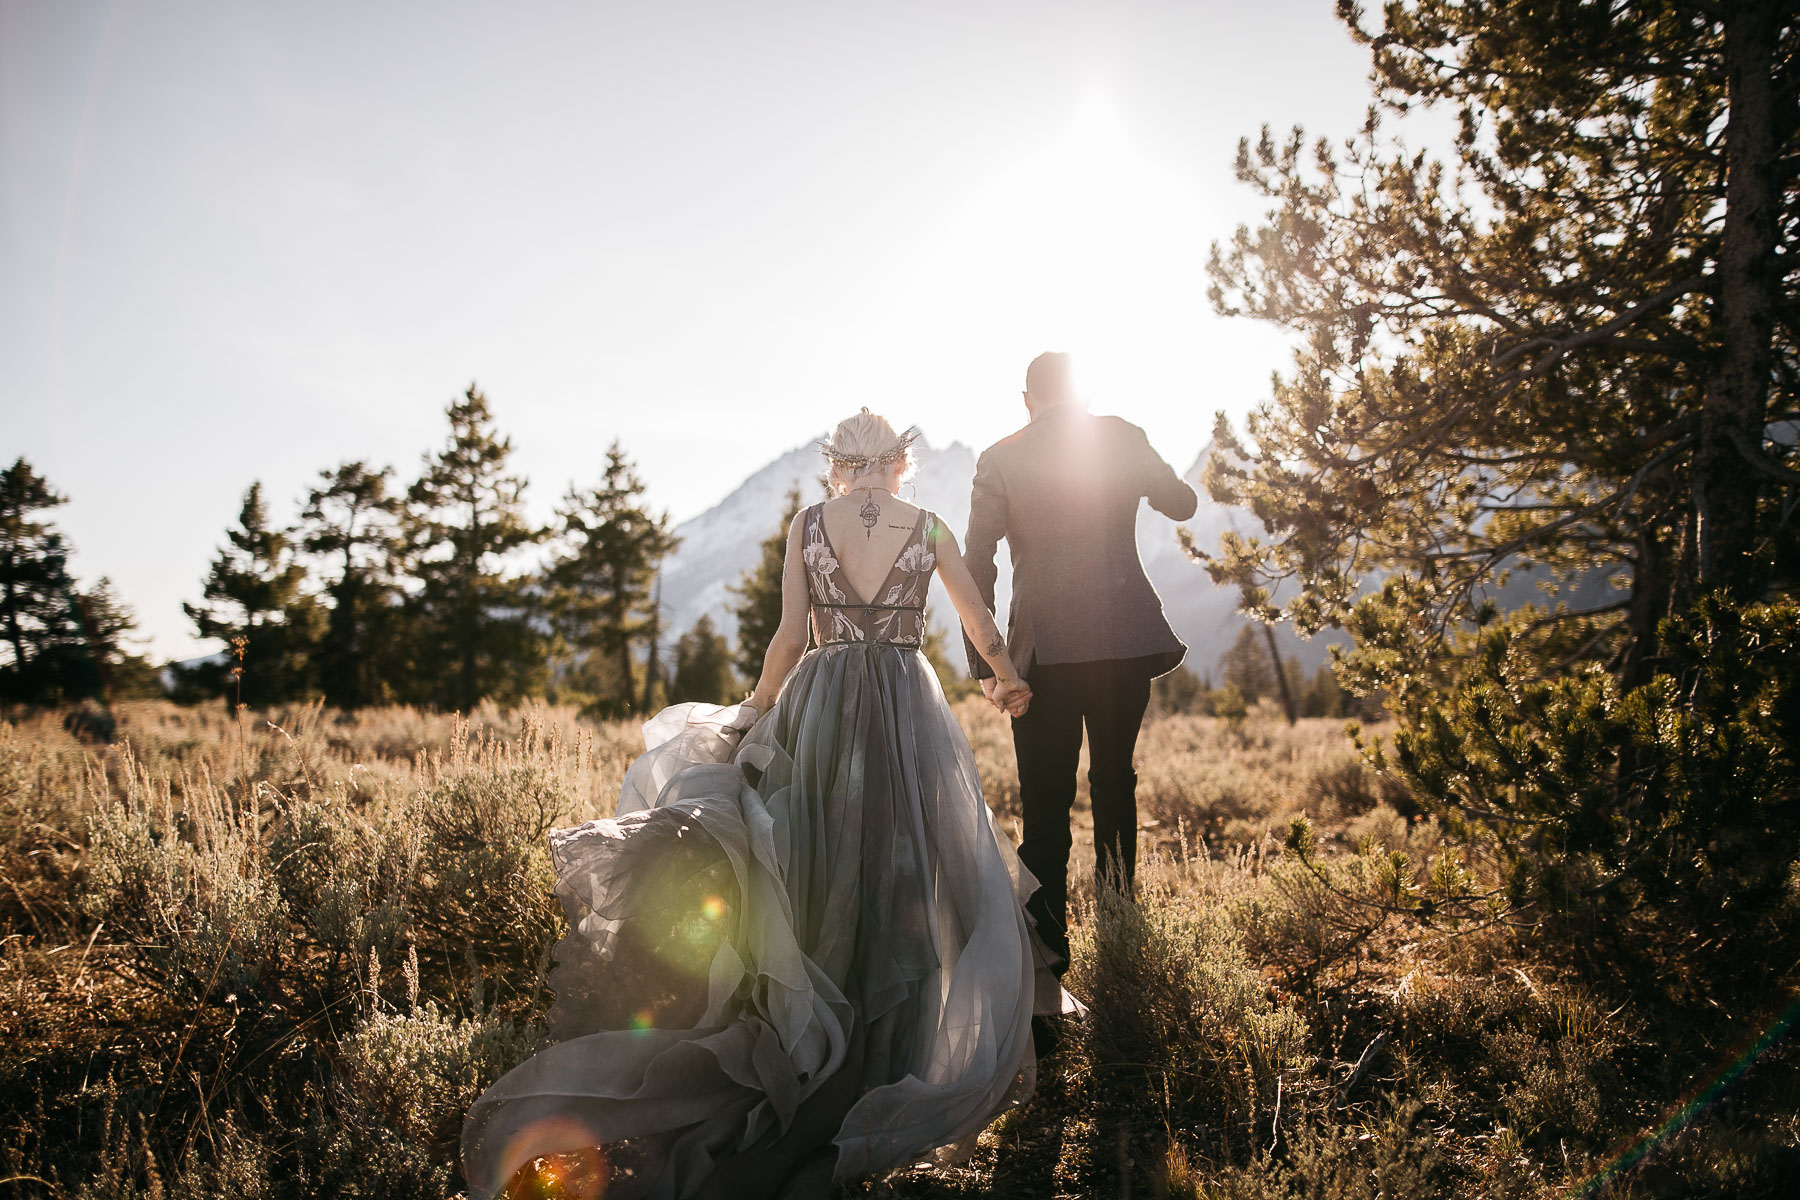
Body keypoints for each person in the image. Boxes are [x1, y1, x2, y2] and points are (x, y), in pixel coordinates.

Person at [461, 408, 1078, 1200]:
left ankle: (829, 1031)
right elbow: (977, 620)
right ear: (896, 464)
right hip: (902, 701)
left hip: (821, 704)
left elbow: (791, 637)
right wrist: (1003, 680)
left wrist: (754, 713)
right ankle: (899, 1046)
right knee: (909, 868)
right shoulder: (925, 527)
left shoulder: (808, 526)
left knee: (815, 861)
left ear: (835, 466)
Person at [961, 352, 1197, 1053]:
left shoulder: (1000, 458)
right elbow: (1181, 503)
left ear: (1027, 398)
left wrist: (987, 665)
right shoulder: (1120, 434)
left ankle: (1045, 986)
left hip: (1042, 654)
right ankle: (1122, 944)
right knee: (1115, 785)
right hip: (1122, 642)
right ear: (1079, 393)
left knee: (1044, 812)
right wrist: (1145, 467)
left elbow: (979, 562)